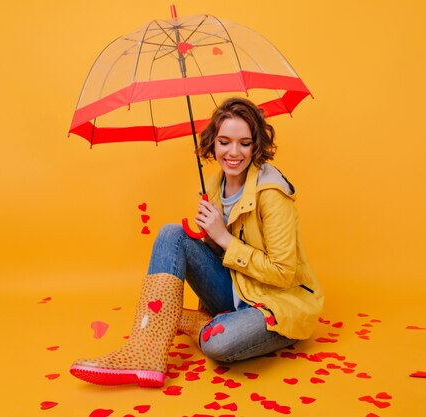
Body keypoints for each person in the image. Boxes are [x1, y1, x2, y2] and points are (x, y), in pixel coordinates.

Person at [70, 97, 324, 387]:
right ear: (212, 143)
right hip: (237, 289)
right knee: (172, 233)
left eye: (244, 143)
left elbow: (283, 273)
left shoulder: (272, 193)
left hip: (276, 304)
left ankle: (197, 323)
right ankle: (145, 352)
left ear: (256, 145)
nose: (233, 152)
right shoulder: (215, 185)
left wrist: (223, 237)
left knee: (219, 344)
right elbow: (222, 256)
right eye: (224, 141)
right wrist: (209, 236)